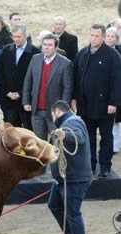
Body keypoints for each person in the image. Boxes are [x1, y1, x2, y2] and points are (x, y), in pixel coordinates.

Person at [72, 24, 121, 178]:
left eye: (97, 36)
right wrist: (74, 99)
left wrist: (114, 103)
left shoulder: (113, 55)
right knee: (89, 137)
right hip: (85, 104)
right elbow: (76, 78)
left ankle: (105, 167)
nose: (93, 38)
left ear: (104, 37)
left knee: (106, 137)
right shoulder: (82, 53)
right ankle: (91, 165)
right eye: (91, 35)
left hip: (105, 105)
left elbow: (117, 80)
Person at [49, 100, 92, 234]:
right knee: (54, 205)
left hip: (74, 180)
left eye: (52, 114)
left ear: (57, 112)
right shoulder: (68, 122)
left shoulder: (73, 122)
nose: (52, 117)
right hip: (64, 179)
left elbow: (78, 137)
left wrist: (64, 135)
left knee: (73, 213)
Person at [22, 33, 73, 141]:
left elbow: (67, 88)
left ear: (56, 47)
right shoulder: (35, 59)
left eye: (50, 45)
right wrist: (26, 101)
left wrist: (62, 109)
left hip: (55, 111)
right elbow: (28, 81)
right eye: (44, 44)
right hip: (36, 110)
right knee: (39, 142)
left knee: (58, 142)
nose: (46, 47)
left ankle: (58, 159)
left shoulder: (65, 63)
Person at [0, 24, 40, 130]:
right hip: (9, 100)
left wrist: (21, 94)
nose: (16, 39)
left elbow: (36, 78)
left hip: (26, 102)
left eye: (19, 37)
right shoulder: (6, 50)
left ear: (25, 36)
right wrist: (7, 92)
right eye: (14, 36)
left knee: (28, 132)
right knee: (12, 133)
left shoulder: (35, 53)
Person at [105, 27, 121, 154]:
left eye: (113, 37)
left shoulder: (119, 52)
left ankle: (114, 147)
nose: (110, 38)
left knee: (115, 120)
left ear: (117, 39)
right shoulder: (99, 51)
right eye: (108, 36)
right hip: (102, 91)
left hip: (116, 90)